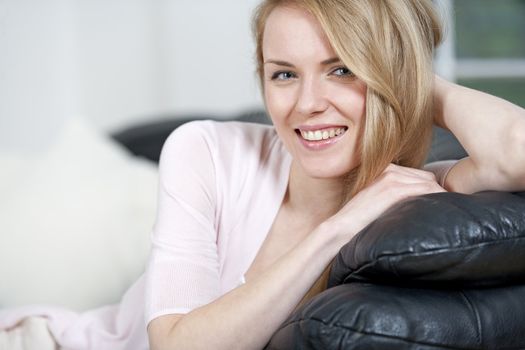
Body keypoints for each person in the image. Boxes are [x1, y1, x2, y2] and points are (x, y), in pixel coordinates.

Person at [145, 0, 525, 349]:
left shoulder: (407, 188)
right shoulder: (207, 151)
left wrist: (414, 83)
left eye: (342, 70)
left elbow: (516, 152)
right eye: (284, 75)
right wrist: (337, 228)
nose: (307, 104)